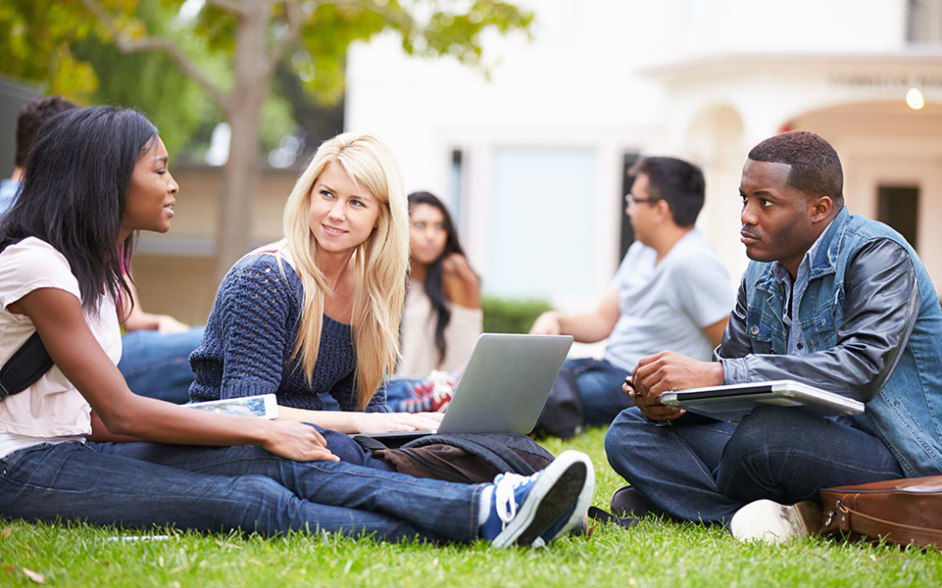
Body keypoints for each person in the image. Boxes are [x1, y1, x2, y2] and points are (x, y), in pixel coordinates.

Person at [0, 106, 594, 546]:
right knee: (258, 498)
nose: (174, 183)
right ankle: (482, 516)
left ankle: (499, 505)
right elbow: (124, 411)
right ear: (107, 180)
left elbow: (100, 421)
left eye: (358, 202)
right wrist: (260, 431)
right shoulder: (37, 266)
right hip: (19, 465)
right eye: (160, 169)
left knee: (297, 465)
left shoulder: (99, 274)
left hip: (80, 448)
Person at [604, 131, 942, 543]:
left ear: (819, 208)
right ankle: (768, 517)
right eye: (744, 199)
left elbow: (860, 368)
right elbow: (731, 389)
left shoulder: (878, 255)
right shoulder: (760, 274)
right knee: (630, 431)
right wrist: (672, 401)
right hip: (785, 440)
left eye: (765, 202)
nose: (747, 215)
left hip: (890, 452)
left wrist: (714, 375)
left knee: (765, 438)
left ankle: (687, 502)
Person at [189, 134, 446, 434]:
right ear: (308, 195)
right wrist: (355, 423)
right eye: (327, 194)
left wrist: (413, 435)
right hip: (230, 447)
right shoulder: (266, 277)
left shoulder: (369, 290)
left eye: (356, 202)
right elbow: (247, 411)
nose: (336, 214)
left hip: (307, 439)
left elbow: (368, 409)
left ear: (381, 217)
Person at [0, 95, 200, 404]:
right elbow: (118, 411)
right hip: (44, 405)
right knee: (214, 346)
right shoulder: (36, 246)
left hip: (77, 383)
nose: (172, 186)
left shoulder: (94, 244)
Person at [530, 157, 734, 430]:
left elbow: (731, 347)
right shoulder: (642, 250)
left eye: (633, 200)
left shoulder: (693, 263)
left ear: (660, 209)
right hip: (605, 367)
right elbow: (602, 321)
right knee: (528, 376)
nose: (629, 210)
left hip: (638, 383)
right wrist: (556, 320)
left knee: (533, 394)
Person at [384, 191, 482, 412]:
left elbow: (466, 351)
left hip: (438, 393)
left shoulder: (454, 273)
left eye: (440, 227)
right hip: (392, 394)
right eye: (420, 225)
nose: (431, 235)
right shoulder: (384, 281)